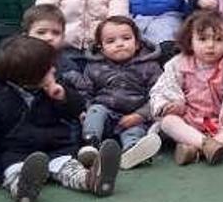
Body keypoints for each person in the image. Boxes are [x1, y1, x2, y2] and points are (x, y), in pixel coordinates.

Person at [0, 36, 120, 202]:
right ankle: (24, 191)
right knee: (15, 173)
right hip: (17, 154)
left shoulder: (56, 86)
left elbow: (78, 109)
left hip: (56, 149)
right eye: (47, 68)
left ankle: (92, 181)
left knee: (70, 168)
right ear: (30, 77)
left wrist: (63, 97)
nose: (54, 69)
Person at [149, 9, 223, 166]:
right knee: (168, 122)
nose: (210, 45)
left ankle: (195, 150)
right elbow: (161, 89)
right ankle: (205, 145)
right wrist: (168, 105)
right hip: (189, 122)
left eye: (218, 39)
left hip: (221, 122)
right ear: (190, 40)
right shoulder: (177, 65)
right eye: (202, 39)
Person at [70, 16, 165, 170]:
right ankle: (91, 145)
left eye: (126, 38)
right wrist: (85, 110)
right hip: (104, 117)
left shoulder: (150, 66)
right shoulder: (94, 66)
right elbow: (85, 92)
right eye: (111, 41)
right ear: (101, 47)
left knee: (134, 131)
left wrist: (140, 115)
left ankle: (132, 151)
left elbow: (158, 94)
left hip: (134, 116)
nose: (119, 44)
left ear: (137, 43)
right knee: (96, 111)